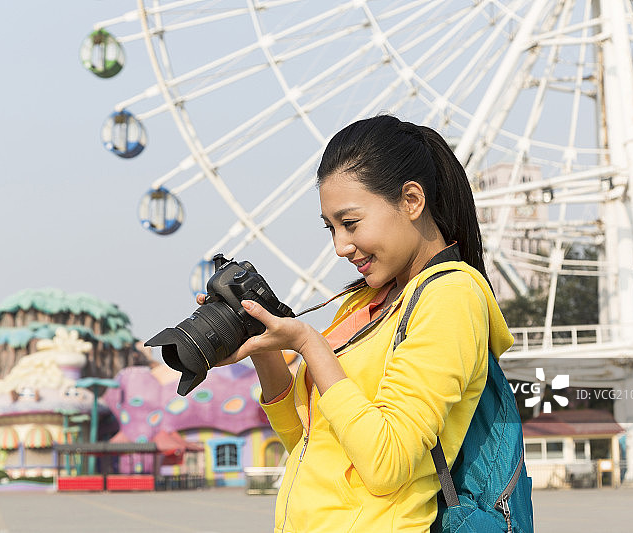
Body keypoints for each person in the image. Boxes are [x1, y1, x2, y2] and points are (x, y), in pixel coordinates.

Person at [204, 115, 514, 532]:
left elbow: (386, 464)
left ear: (411, 201)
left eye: (350, 224)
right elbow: (309, 444)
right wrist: (266, 347)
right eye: (330, 228)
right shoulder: (362, 301)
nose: (340, 246)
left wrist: (310, 345)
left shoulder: (452, 297)